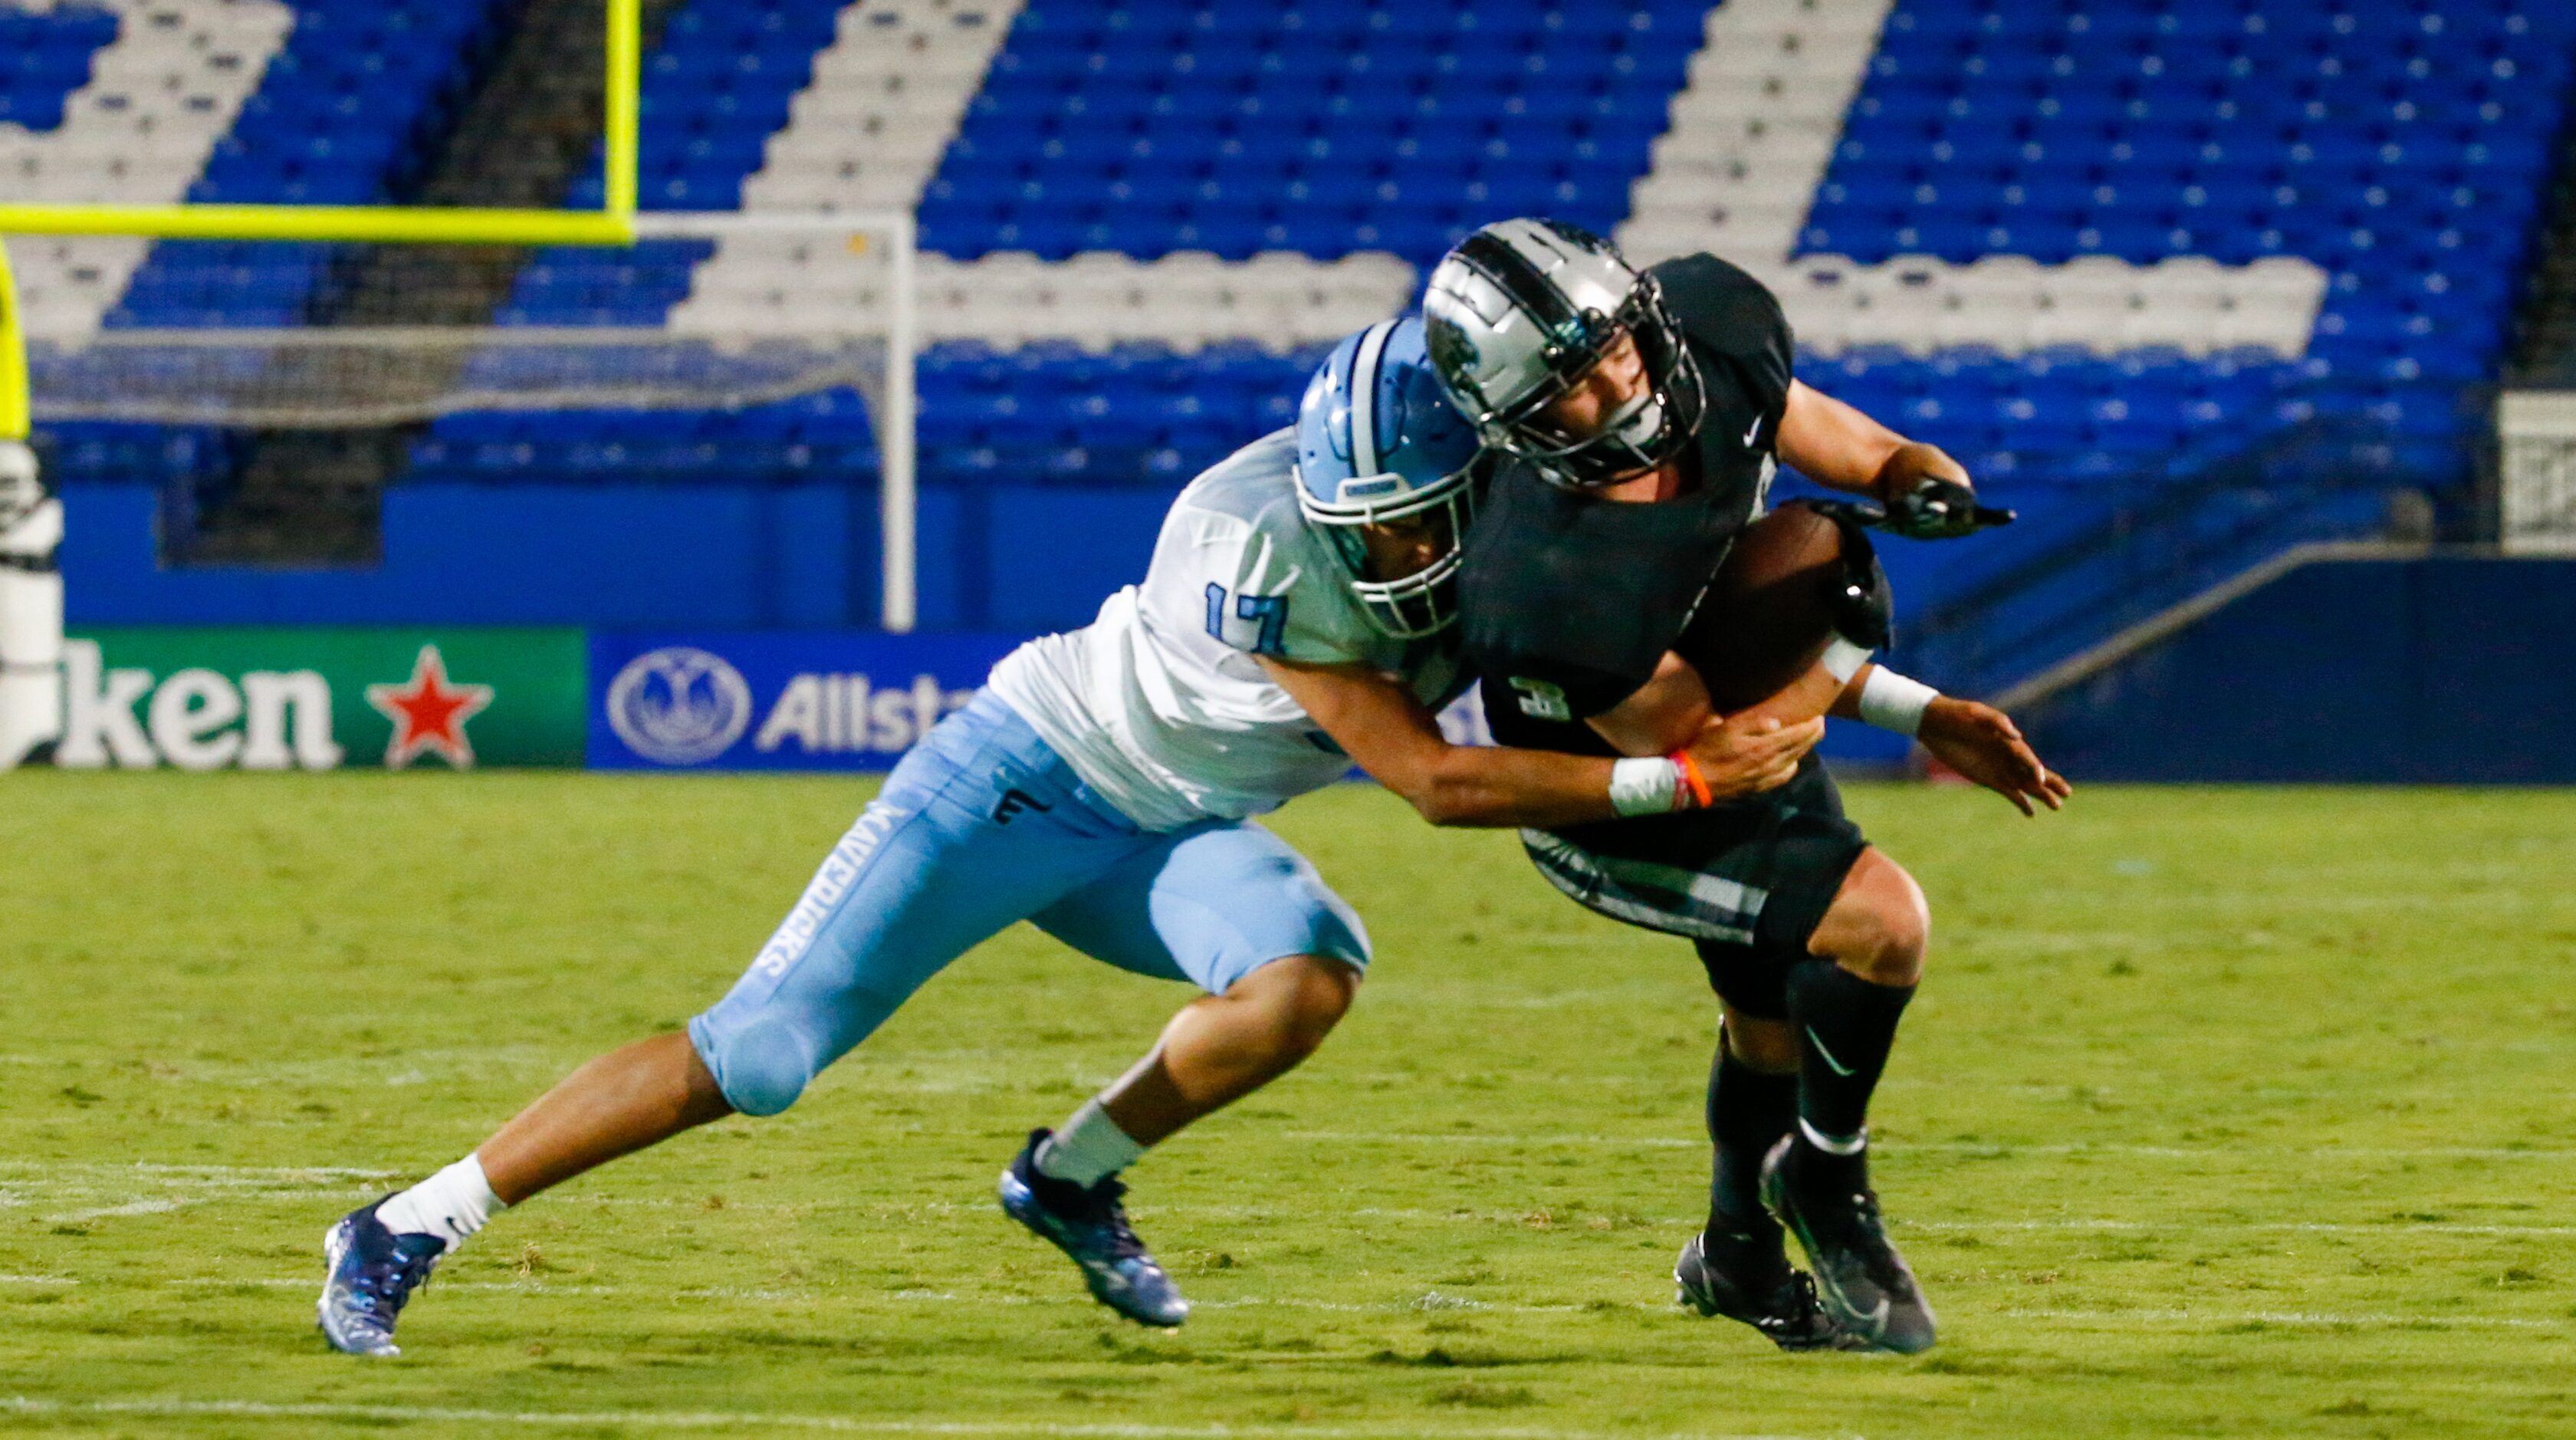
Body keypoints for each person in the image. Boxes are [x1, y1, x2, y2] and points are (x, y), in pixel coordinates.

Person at [315, 317, 1825, 1357]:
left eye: (1411, 521)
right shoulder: (1256, 535)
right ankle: (403, 1224)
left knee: (1307, 975)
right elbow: (1434, 783)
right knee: (764, 1051)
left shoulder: (1508, 512)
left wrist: (1833, 682)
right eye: (1366, 520)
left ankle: (1072, 1175)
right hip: (1022, 784)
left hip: (1176, 824)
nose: (1386, 548)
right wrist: (1687, 785)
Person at [1423, 218, 2070, 1354]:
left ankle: (1734, 1257)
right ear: (1519, 424)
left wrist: (1916, 476)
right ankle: (1826, 1182)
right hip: (1616, 794)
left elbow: (1833, 438)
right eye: (1570, 385)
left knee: (1768, 1023)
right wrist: (1856, 665)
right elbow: (1716, 747)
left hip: (1727, 731)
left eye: (1617, 343)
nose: (1617, 380)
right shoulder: (1547, 577)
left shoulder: (1713, 332)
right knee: (1882, 925)